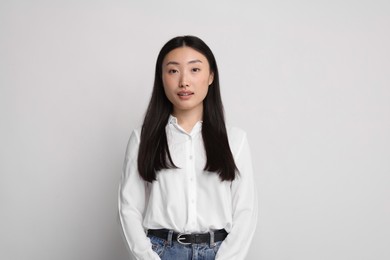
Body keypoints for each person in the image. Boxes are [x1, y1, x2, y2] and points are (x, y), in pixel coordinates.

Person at [118, 35, 258, 260]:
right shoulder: (143, 138)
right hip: (161, 252)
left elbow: (245, 213)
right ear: (161, 78)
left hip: (218, 253)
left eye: (194, 70)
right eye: (173, 71)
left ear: (210, 76)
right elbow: (128, 209)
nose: (184, 81)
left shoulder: (235, 139)